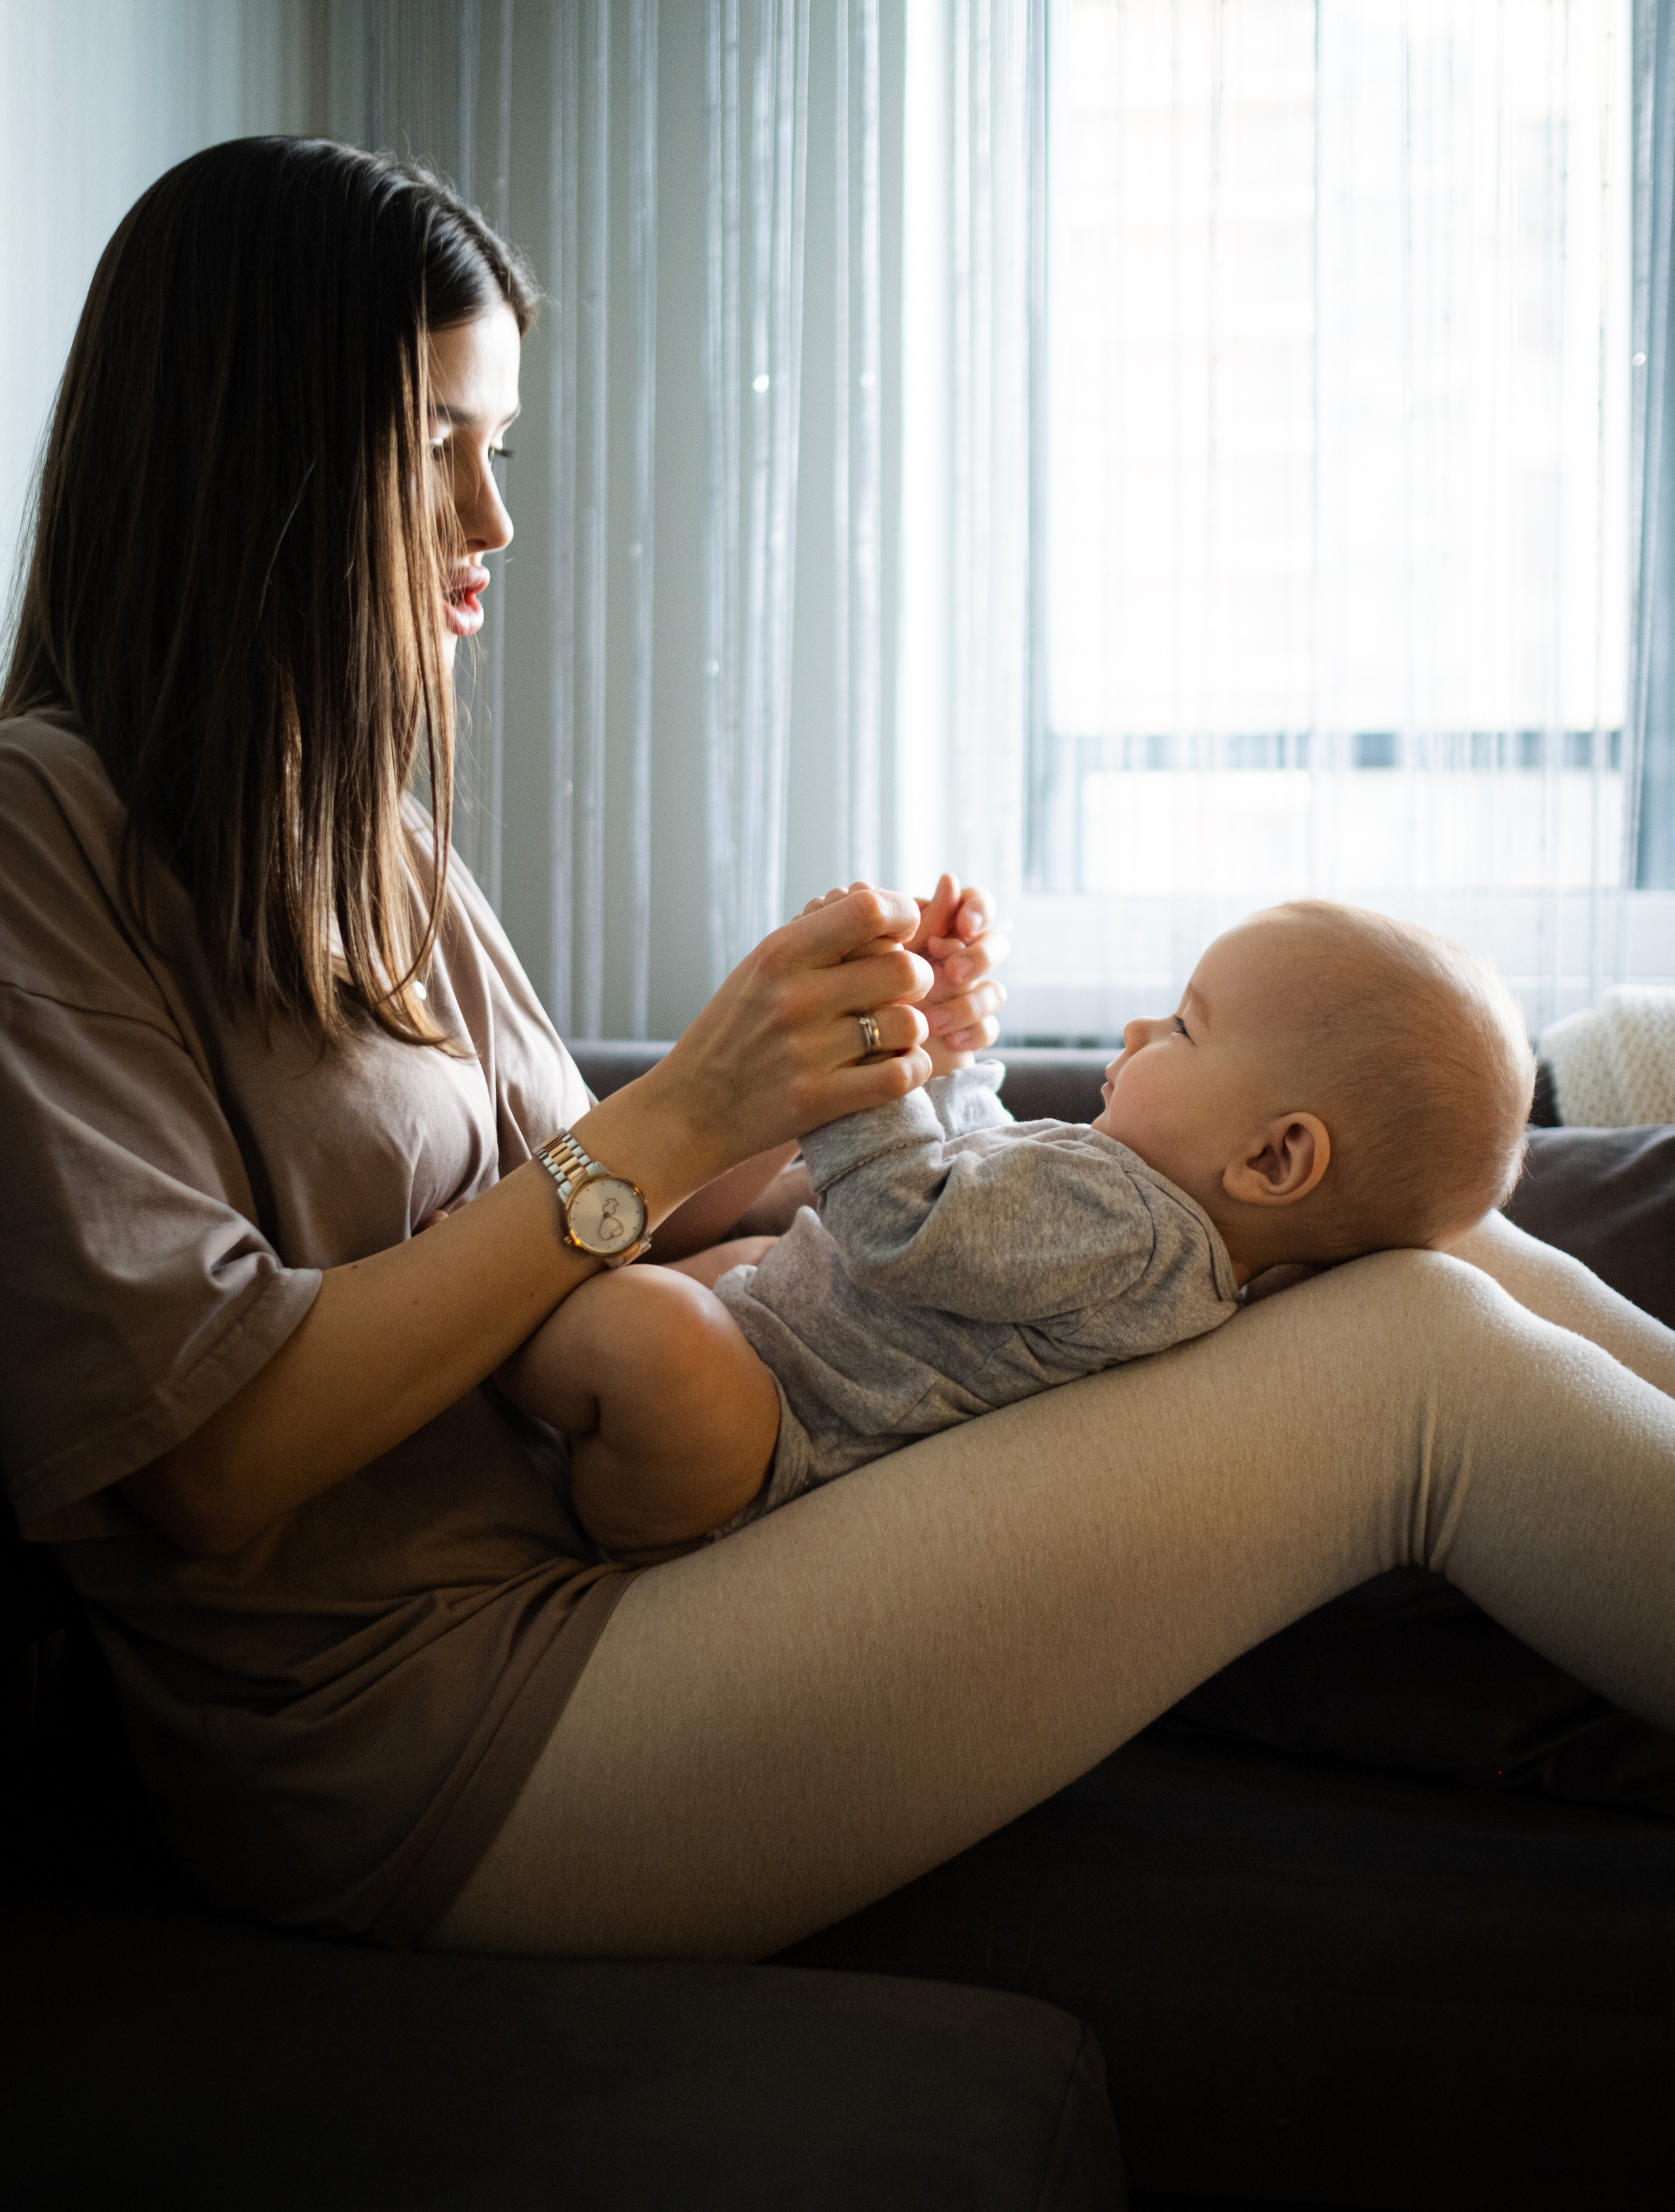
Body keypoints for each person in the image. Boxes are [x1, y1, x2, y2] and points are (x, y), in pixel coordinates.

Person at [3, 138, 1674, 1976]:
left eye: (504, 451)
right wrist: (680, 1113)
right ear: (245, 459)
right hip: (430, 1731)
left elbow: (609, 1215)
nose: (491, 525)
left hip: (627, 1553)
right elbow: (217, 1460)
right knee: (1409, 1366)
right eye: (430, 449)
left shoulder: (369, 834)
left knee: (1408, 1218)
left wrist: (856, 1072)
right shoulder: (43, 841)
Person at [496, 900, 1535, 1558]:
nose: (1137, 1030)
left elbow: (909, 1227)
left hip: (772, 1439)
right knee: (746, 1254)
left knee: (661, 1336)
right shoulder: (1129, 1215)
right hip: (785, 1358)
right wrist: (945, 1064)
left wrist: (875, 1065)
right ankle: (517, 1321)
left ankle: (484, 1338)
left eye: (1182, 1027)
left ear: (1273, 1160)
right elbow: (978, 1191)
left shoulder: (1135, 1229)